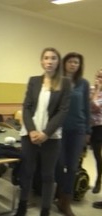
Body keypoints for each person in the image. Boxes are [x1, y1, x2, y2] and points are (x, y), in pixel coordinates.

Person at [15, 47, 71, 216]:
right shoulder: (33, 81)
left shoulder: (65, 83)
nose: (49, 61)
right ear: (41, 61)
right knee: (27, 172)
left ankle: (45, 210)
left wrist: (46, 133)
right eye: (46, 58)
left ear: (58, 62)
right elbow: (26, 107)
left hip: (51, 136)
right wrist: (32, 130)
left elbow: (63, 111)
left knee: (48, 175)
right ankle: (22, 206)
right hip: (29, 135)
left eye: (53, 58)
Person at [55, 52, 91, 216]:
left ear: (79, 65)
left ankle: (65, 202)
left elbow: (86, 107)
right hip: (60, 129)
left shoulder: (83, 83)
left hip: (78, 129)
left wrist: (88, 130)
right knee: (58, 163)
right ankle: (61, 193)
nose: (73, 65)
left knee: (72, 166)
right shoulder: (57, 82)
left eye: (76, 62)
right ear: (65, 64)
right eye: (71, 61)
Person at [90, 68, 102, 209]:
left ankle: (99, 180)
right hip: (89, 128)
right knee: (94, 155)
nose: (99, 78)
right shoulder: (90, 88)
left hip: (100, 127)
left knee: (99, 156)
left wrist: (97, 92)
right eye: (98, 75)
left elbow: (95, 106)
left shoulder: (96, 91)